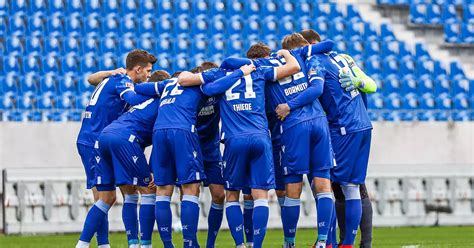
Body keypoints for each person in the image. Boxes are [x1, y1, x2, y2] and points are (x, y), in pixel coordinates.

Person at [179, 49, 300, 248]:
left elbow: (185, 81)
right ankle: (257, 246)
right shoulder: (260, 70)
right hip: (260, 137)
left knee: (233, 194)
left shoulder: (218, 73)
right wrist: (285, 52)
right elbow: (294, 66)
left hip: (234, 140)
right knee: (261, 195)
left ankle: (240, 245)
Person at [220, 40, 335, 248]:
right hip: (319, 120)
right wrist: (289, 52)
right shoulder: (298, 55)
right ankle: (323, 241)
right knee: (323, 184)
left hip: (292, 127)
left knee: (291, 187)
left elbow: (228, 61)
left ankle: (288, 242)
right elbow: (329, 44)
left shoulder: (262, 69)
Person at [278, 33, 376, 248]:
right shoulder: (341, 58)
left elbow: (317, 89)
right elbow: (368, 87)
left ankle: (329, 242)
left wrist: (289, 105)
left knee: (326, 185)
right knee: (352, 187)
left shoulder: (314, 60)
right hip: (363, 124)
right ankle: (348, 244)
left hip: (342, 127)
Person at [76, 49, 157, 248]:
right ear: (137, 69)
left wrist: (109, 72)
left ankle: (103, 245)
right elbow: (133, 99)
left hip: (96, 139)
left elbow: (90, 79)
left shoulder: (113, 77)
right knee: (105, 197)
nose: (148, 75)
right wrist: (157, 92)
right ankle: (87, 244)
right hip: (94, 140)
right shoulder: (124, 81)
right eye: (147, 71)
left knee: (106, 197)